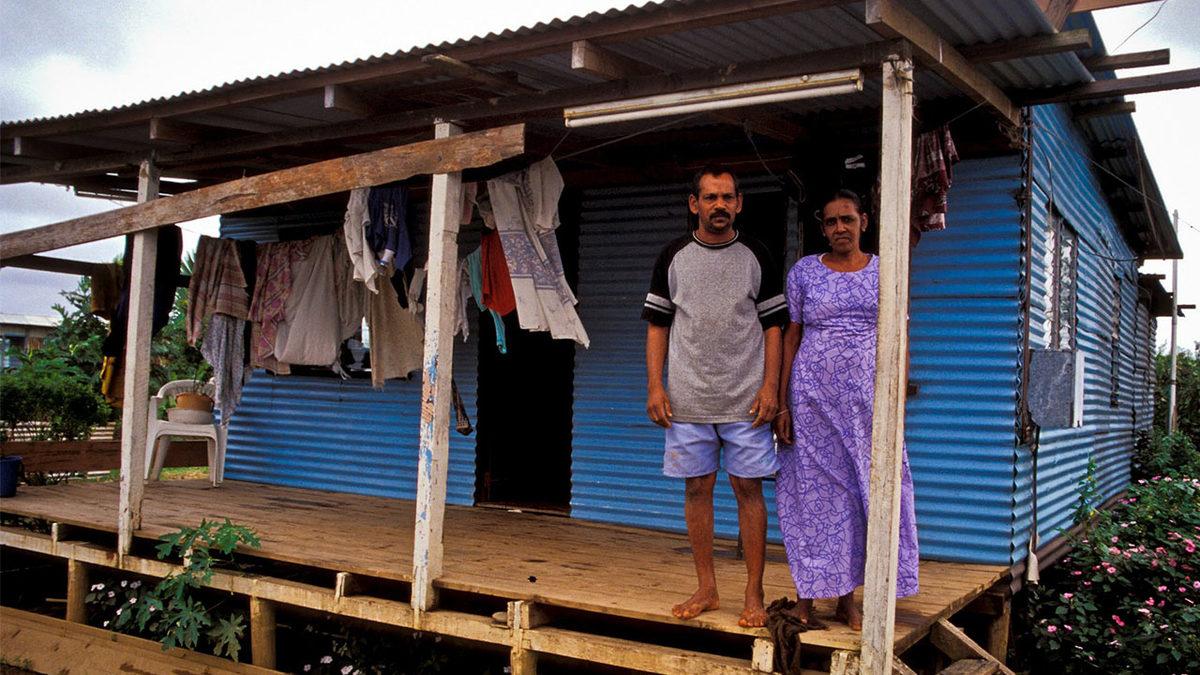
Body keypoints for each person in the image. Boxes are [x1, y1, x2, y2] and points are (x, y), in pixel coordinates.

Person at [642, 166, 788, 628]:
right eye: (710, 197)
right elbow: (657, 325)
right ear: (694, 204)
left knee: (748, 490)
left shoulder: (757, 254)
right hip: (687, 399)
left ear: (739, 203)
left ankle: (753, 592)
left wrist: (770, 388)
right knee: (697, 489)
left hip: (746, 400)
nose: (719, 205)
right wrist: (655, 385)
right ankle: (706, 587)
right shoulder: (673, 256)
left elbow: (774, 328)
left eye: (727, 197)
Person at [773, 189, 920, 630]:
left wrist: (896, 402)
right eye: (832, 221)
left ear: (864, 222)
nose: (840, 228)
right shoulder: (804, 273)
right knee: (812, 499)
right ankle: (807, 598)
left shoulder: (885, 271)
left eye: (848, 220)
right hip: (812, 400)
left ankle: (848, 600)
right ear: (823, 228)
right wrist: (782, 403)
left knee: (862, 494)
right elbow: (792, 336)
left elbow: (898, 337)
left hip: (868, 407)